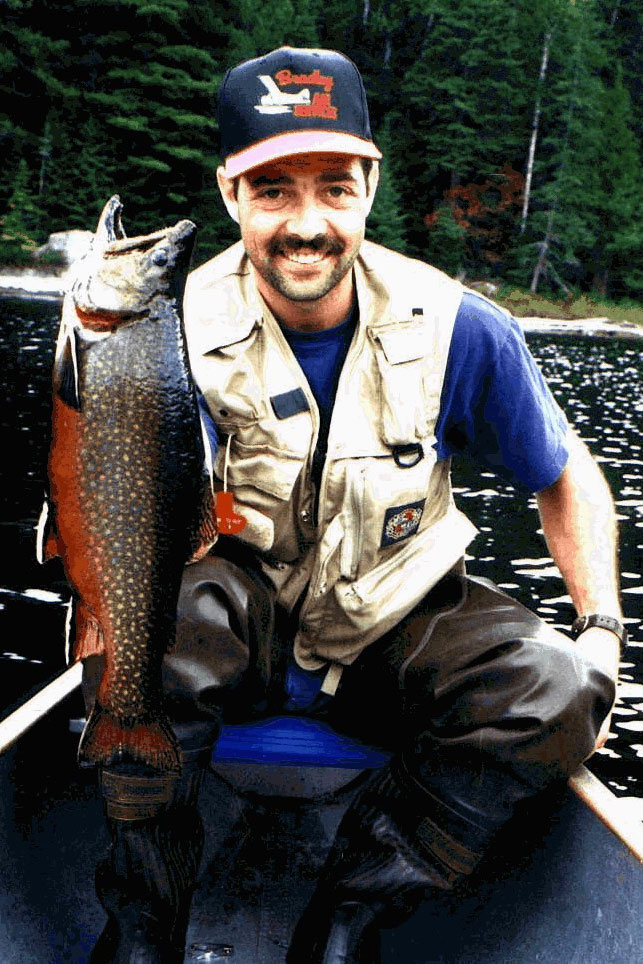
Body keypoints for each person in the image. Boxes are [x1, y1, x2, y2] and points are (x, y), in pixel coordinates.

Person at [87, 47, 624, 964]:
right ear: (229, 195)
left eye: (333, 187)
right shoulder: (155, 327)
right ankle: (145, 923)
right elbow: (113, 496)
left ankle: (345, 918)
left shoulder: (461, 325)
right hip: (237, 619)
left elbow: (564, 474)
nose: (305, 224)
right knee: (139, 645)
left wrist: (601, 626)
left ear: (370, 186)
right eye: (272, 190)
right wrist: (102, 616)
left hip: (398, 619)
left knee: (557, 683)